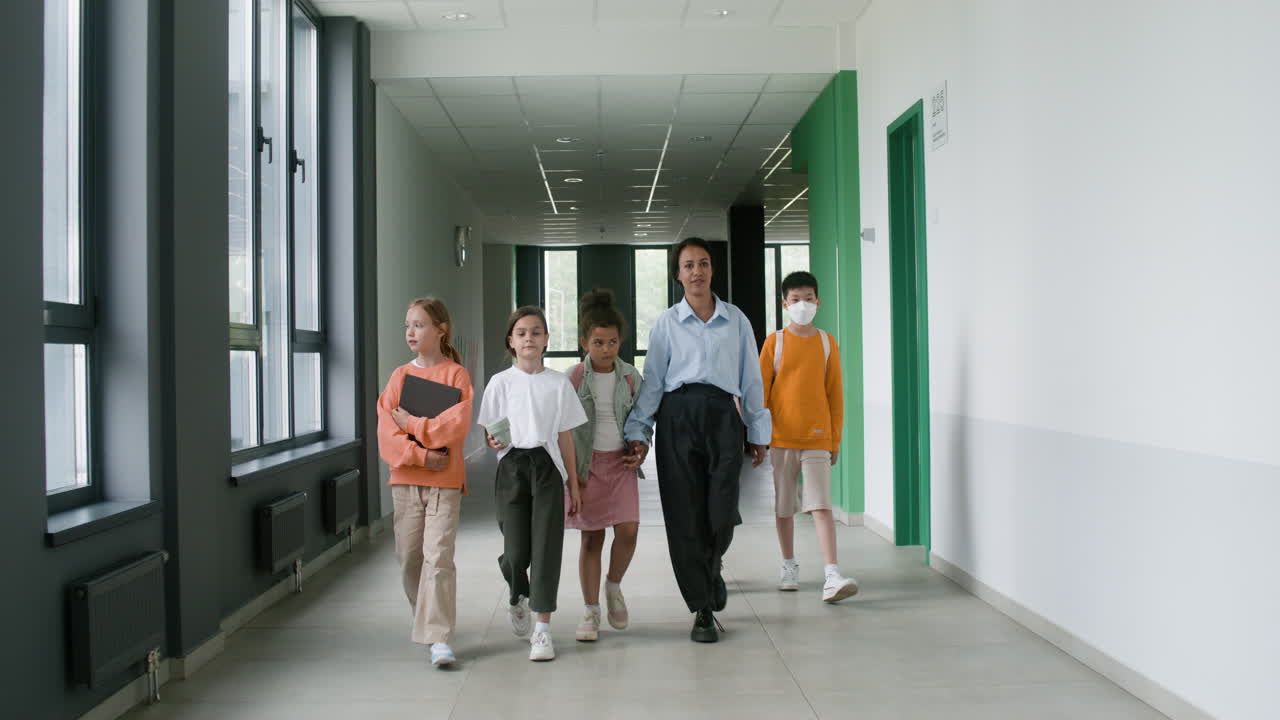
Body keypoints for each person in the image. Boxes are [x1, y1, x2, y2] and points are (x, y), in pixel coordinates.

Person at [624, 237, 771, 643]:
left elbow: (751, 381)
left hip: (724, 416)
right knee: (684, 515)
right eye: (688, 265)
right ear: (677, 274)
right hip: (677, 417)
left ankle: (712, 566)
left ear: (711, 270)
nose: (697, 272)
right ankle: (702, 608)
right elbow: (653, 383)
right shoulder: (667, 324)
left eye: (703, 263)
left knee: (721, 513)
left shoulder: (736, 320)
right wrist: (639, 433)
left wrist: (758, 432)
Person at [477, 306, 587, 662]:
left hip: (547, 467)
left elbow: (566, 436)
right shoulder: (500, 383)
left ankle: (542, 630)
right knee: (516, 553)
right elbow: (490, 432)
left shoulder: (558, 384)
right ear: (511, 341)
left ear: (546, 340)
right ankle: (516, 592)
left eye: (536, 332)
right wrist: (492, 442)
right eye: (521, 332)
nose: (529, 338)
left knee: (546, 549)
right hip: (511, 467)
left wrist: (574, 483)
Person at [376, 297, 473, 668]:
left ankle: (438, 635)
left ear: (440, 329)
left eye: (418, 325)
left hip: (445, 481)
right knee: (410, 560)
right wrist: (422, 454)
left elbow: (455, 426)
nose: (410, 332)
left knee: (439, 557)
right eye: (407, 326)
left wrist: (413, 425)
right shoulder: (399, 377)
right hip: (405, 480)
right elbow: (387, 432)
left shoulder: (456, 376)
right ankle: (427, 614)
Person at [759, 271, 859, 603]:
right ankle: (789, 565)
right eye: (796, 299)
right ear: (785, 303)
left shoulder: (827, 343)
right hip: (782, 438)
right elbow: (761, 392)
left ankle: (832, 573)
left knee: (821, 506)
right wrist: (759, 437)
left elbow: (835, 395)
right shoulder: (775, 342)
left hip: (818, 437)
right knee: (784, 507)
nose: (803, 305)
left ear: (819, 301)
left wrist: (835, 440)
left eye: (809, 298)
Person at [565, 289, 647, 642]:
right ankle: (590, 609)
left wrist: (640, 446)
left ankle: (613, 586)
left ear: (621, 341)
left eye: (612, 342)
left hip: (621, 465)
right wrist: (571, 478)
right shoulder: (572, 379)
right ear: (584, 341)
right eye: (598, 342)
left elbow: (642, 419)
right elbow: (563, 429)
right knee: (592, 538)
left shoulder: (630, 377)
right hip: (587, 468)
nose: (605, 349)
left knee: (628, 530)